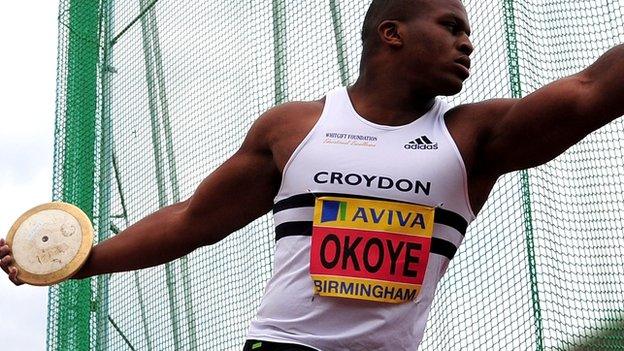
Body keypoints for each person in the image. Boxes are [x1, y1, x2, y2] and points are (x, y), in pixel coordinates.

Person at [2, 0, 623, 349]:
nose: (467, 44)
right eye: (452, 27)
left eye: (469, 32)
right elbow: (193, 220)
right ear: (392, 34)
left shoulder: (472, 137)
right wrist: (84, 260)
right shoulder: (293, 129)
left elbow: (592, 90)